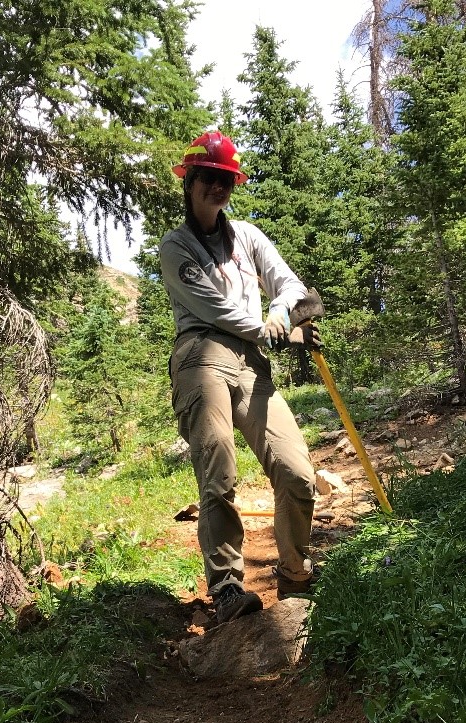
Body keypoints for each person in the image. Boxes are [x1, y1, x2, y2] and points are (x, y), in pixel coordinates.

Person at [160, 130, 321, 625]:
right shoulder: (175, 247)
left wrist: (279, 312)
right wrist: (275, 331)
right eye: (209, 177)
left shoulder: (248, 236)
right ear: (189, 182)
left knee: (297, 475)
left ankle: (294, 576)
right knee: (219, 473)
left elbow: (289, 283)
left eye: (226, 179)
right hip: (199, 356)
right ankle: (228, 586)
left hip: (253, 362)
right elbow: (214, 308)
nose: (218, 187)